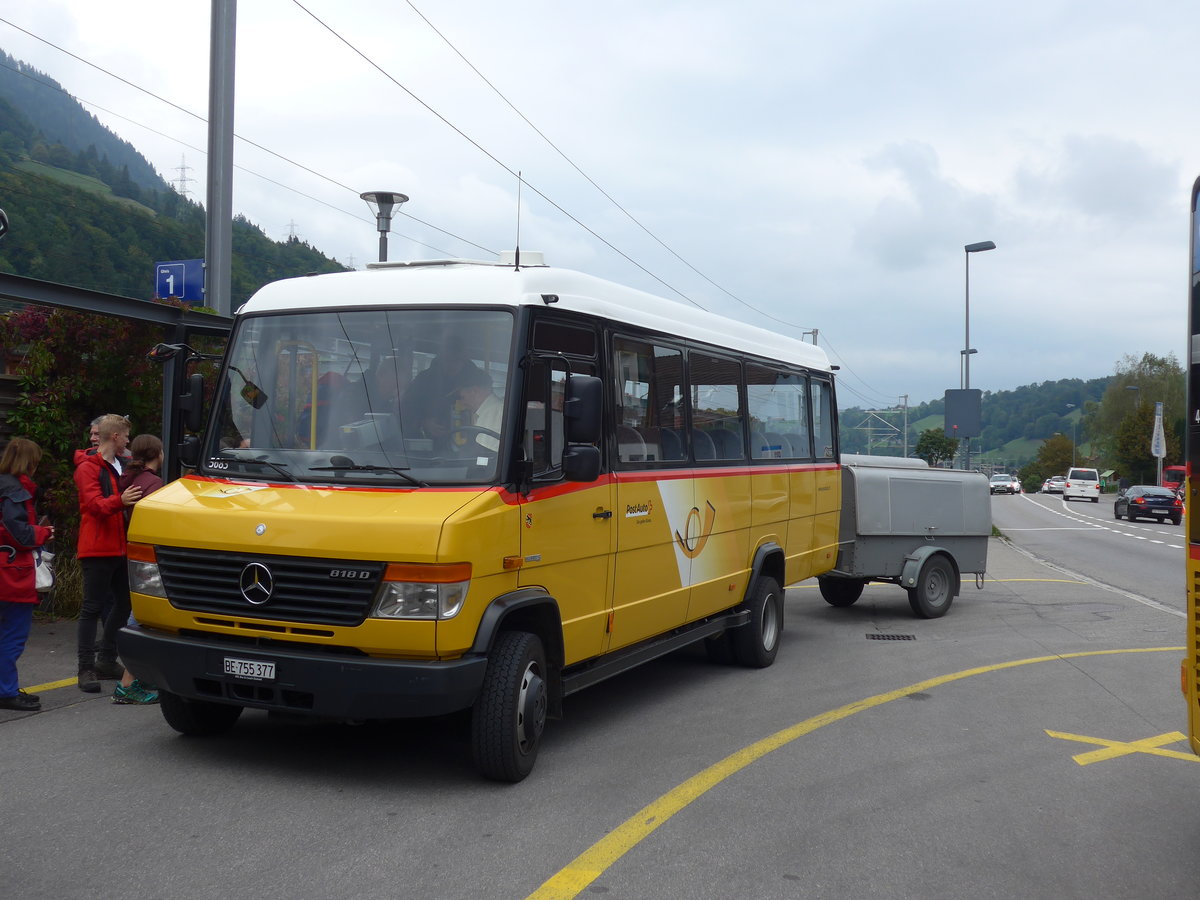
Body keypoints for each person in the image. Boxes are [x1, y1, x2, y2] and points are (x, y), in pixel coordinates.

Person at [74, 414, 142, 693]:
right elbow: (93, 505)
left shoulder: (121, 464)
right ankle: (86, 668)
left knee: (124, 604)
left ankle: (105, 659)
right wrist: (121, 501)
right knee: (92, 607)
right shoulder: (88, 467)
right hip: (97, 547)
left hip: (119, 546)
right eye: (126, 436)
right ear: (115, 437)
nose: (128, 440)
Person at [0, 438, 54, 712]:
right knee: (13, 635)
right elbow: (20, 534)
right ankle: (6, 691)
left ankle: (6, 687)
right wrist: (44, 532)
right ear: (29, 462)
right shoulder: (15, 491)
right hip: (12, 571)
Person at [111, 434, 164, 705]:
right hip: (149, 557)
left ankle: (135, 678)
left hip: (129, 552)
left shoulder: (128, 480)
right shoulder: (154, 484)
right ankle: (128, 684)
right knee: (142, 617)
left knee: (135, 613)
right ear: (158, 453)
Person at [454, 366, 502, 451]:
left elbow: (483, 454)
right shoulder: (490, 410)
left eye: (462, 397)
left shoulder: (494, 412)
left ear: (474, 391)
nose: (461, 403)